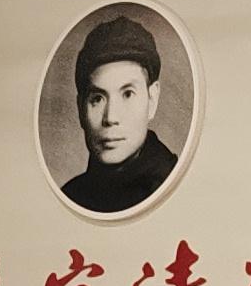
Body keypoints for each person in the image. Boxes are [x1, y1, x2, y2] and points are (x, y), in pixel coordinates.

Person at [60, 11, 182, 215]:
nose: (110, 118)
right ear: (80, 108)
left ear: (152, 99)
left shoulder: (175, 186)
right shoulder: (70, 198)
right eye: (97, 99)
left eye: (127, 94)